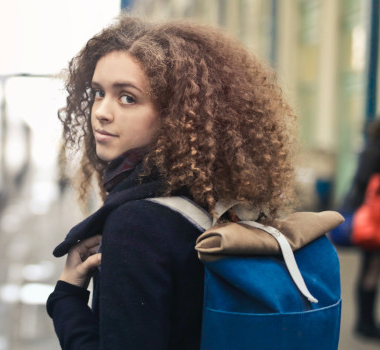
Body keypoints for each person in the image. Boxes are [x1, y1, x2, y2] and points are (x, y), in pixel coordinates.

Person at [46, 16, 298, 349]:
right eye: (98, 92)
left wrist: (67, 298)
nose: (101, 112)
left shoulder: (136, 225)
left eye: (128, 98)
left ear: (174, 115)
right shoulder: (207, 198)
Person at [346, 119, 380, 340]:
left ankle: (365, 321)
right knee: (370, 271)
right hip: (374, 221)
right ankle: (365, 323)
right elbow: (364, 183)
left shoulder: (368, 150)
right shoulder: (374, 153)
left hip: (369, 217)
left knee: (369, 270)